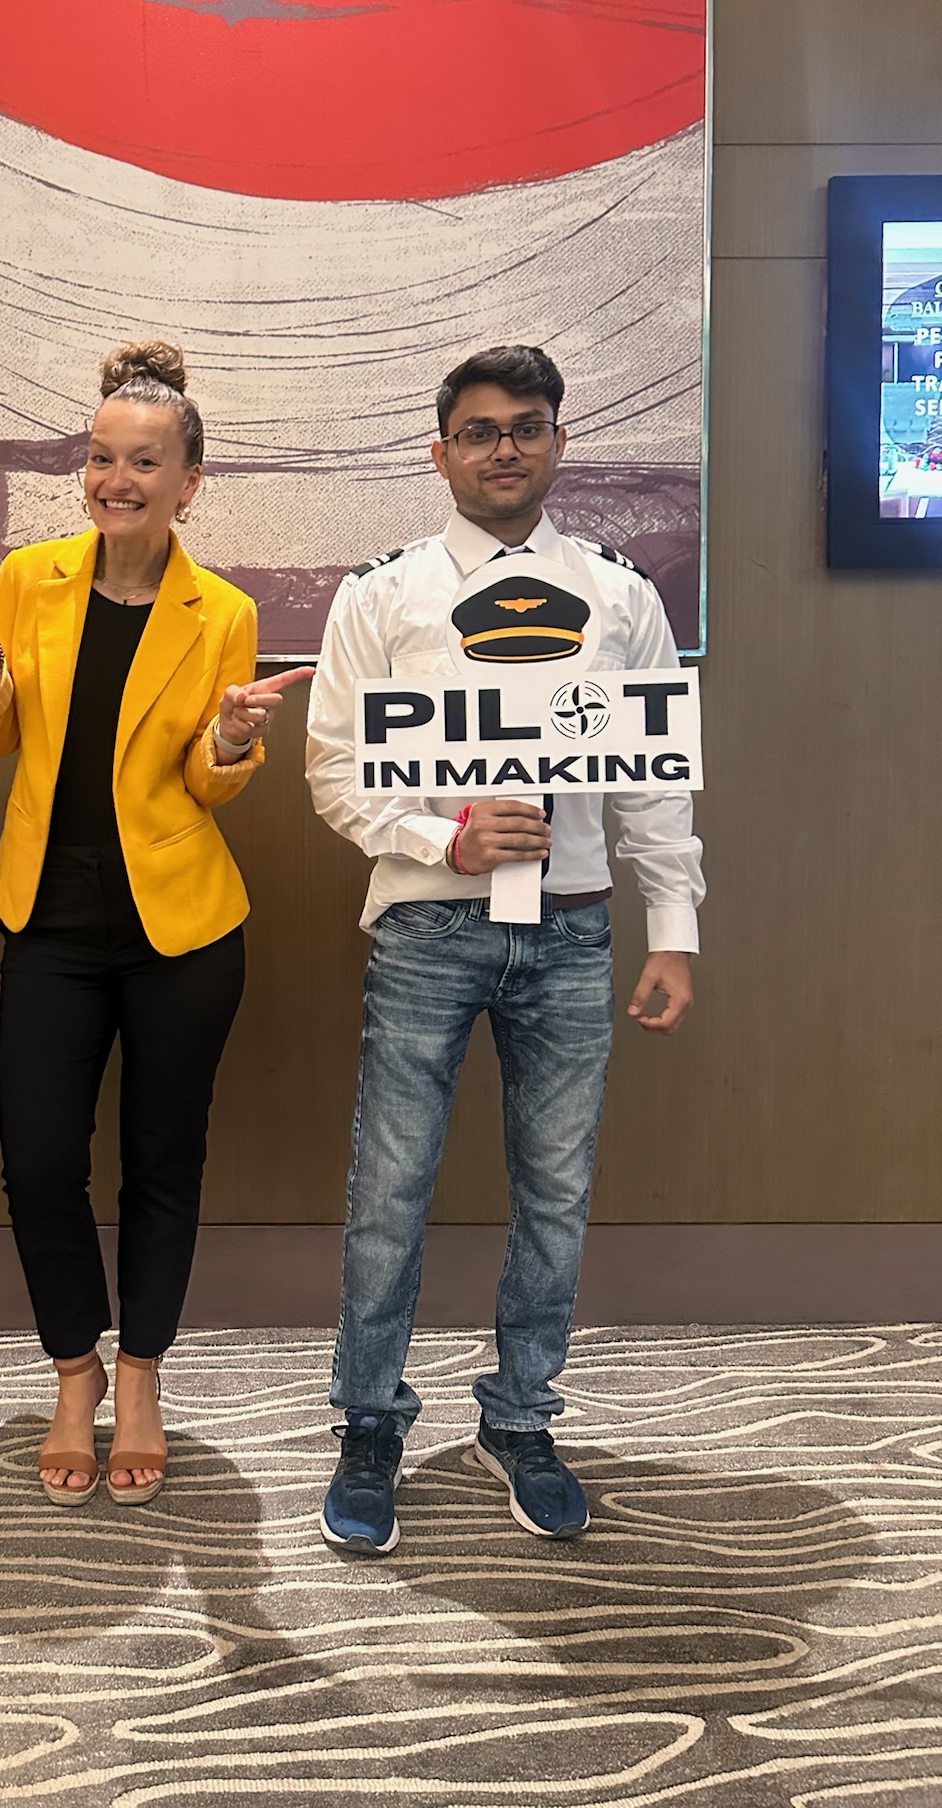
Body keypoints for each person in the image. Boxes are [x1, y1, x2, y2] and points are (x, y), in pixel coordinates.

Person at [305, 343, 704, 1553]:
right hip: (430, 924)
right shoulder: (382, 594)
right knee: (390, 1193)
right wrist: (446, 834)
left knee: (559, 1193)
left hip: (576, 930)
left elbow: (655, 785)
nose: (504, 448)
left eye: (527, 427)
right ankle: (369, 1418)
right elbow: (333, 768)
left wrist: (673, 929)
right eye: (478, 431)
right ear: (441, 452)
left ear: (558, 444)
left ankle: (521, 1415)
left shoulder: (622, 594)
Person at [0, 341, 310, 1508]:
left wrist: (234, 739)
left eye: (144, 461)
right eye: (99, 458)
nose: (115, 479)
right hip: (48, 909)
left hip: (181, 921)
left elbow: (205, 775)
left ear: (191, 481)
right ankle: (73, 1369)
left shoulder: (221, 609)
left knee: (162, 1162)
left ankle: (141, 1379)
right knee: (37, 1162)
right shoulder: (29, 579)